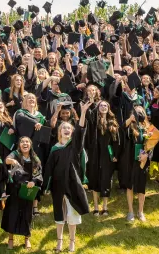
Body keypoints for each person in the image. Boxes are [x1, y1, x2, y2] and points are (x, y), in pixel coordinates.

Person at [43, 100, 91, 252]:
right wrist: (46, 186)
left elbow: (81, 130)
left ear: (72, 132)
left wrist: (82, 112)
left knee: (72, 214)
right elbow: (48, 170)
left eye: (68, 128)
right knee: (59, 214)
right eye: (63, 128)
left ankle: (72, 241)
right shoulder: (55, 149)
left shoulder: (75, 146)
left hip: (72, 184)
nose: (66, 129)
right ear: (59, 132)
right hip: (58, 185)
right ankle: (59, 241)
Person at [2, 136, 43, 249]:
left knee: (27, 214)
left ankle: (27, 238)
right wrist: (13, 160)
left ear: (30, 145)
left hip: (27, 190)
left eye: (27, 142)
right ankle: (10, 239)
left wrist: (34, 182)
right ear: (19, 145)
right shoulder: (15, 154)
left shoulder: (35, 158)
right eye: (22, 142)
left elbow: (39, 174)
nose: (25, 144)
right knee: (12, 212)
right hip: (14, 189)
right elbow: (6, 160)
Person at [85, 100, 119, 216]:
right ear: (98, 108)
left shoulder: (112, 122)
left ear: (108, 108)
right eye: (101, 105)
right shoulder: (94, 122)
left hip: (107, 156)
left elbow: (116, 141)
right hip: (95, 154)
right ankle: (95, 207)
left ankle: (105, 207)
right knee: (94, 179)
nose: (103, 107)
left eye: (106, 105)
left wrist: (115, 155)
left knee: (106, 180)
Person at [121, 106, 152, 222]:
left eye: (140, 112)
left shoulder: (148, 128)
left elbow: (151, 145)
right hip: (129, 160)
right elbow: (121, 129)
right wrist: (130, 119)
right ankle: (130, 211)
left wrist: (146, 155)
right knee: (130, 186)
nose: (138, 114)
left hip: (142, 160)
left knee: (141, 187)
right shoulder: (130, 126)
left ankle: (140, 211)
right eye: (135, 112)